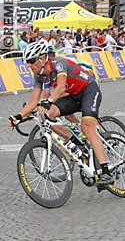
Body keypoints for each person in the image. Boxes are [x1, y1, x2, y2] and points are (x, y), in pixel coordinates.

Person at [8, 42, 115, 186]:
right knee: (48, 114)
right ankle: (78, 144)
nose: (30, 66)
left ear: (42, 58)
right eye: (27, 63)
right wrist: (18, 116)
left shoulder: (58, 63)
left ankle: (106, 171)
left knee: (87, 127)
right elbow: (34, 100)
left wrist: (49, 100)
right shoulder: (39, 76)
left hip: (89, 90)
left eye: (32, 61)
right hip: (74, 96)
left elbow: (61, 86)